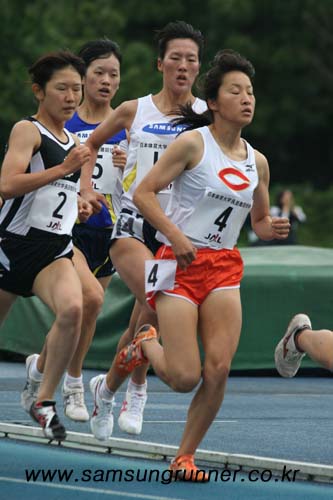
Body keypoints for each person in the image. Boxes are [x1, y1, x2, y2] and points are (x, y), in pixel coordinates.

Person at [87, 48, 290, 480]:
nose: (247, 98)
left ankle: (184, 456)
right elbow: (143, 194)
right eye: (236, 91)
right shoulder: (192, 143)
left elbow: (257, 219)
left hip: (223, 268)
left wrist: (270, 228)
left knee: (218, 369)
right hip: (174, 261)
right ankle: (142, 345)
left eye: (251, 91)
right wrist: (176, 236)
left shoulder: (259, 162)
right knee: (183, 377)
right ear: (213, 102)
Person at [81, 21, 206, 438]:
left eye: (191, 60)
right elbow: (89, 144)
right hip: (133, 225)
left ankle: (107, 386)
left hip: (179, 231)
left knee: (143, 320)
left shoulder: (207, 115)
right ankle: (138, 388)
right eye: (175, 59)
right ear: (160, 64)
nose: (183, 67)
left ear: (198, 67)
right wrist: (85, 188)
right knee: (156, 298)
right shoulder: (135, 110)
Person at [23, 39, 128, 423]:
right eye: (98, 72)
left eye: (113, 75)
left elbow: (146, 185)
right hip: (69, 229)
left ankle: (38, 370)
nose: (105, 81)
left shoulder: (126, 123)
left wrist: (129, 164)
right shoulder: (65, 123)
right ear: (82, 77)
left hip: (108, 232)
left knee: (80, 314)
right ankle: (72, 384)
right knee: (90, 303)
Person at [0, 51, 91, 439]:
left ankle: (44, 400)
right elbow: (7, 185)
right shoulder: (28, 130)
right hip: (11, 246)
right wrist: (63, 170)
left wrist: (79, 205)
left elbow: (58, 195)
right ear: (39, 91)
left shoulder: (75, 141)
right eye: (62, 89)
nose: (71, 97)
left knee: (74, 309)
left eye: (77, 89)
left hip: (52, 250)